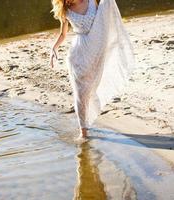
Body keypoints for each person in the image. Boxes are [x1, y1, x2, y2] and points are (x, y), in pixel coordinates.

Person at [49, 0, 136, 140]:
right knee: (81, 94)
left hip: (96, 49)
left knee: (92, 88)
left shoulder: (91, 1)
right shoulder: (65, 10)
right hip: (79, 54)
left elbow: (104, 16)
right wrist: (54, 48)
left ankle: (88, 119)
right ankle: (83, 132)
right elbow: (63, 34)